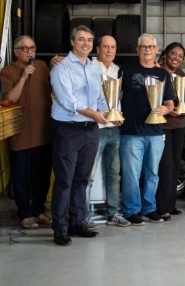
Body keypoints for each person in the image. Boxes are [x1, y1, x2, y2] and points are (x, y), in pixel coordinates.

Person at [49, 26, 108, 246]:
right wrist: (95, 114)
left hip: (90, 130)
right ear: (72, 42)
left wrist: (110, 114)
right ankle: (59, 228)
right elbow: (68, 102)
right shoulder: (61, 68)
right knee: (65, 180)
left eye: (90, 40)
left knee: (81, 179)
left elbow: (100, 98)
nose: (86, 43)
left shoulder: (94, 67)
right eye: (81, 39)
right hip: (68, 130)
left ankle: (76, 221)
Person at [119, 34, 175, 225]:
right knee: (131, 174)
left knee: (152, 174)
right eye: (143, 47)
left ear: (157, 49)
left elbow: (170, 102)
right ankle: (131, 210)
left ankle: (149, 208)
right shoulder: (126, 70)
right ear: (138, 50)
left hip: (156, 133)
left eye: (151, 47)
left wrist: (166, 109)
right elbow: (114, 96)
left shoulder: (163, 74)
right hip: (131, 132)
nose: (147, 50)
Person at [1, 35, 53, 230]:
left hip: (43, 132)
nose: (29, 52)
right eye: (25, 49)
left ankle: (38, 211)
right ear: (16, 52)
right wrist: (23, 76)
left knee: (42, 175)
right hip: (20, 134)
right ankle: (24, 214)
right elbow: (10, 100)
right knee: (21, 176)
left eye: (32, 48)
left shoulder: (42, 66)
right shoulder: (8, 72)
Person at [86, 35, 129, 227]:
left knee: (114, 173)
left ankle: (114, 212)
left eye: (113, 47)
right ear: (98, 49)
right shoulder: (89, 67)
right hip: (95, 128)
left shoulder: (117, 70)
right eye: (105, 47)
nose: (109, 50)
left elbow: (118, 98)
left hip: (114, 129)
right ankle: (84, 214)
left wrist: (119, 114)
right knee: (88, 174)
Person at [156, 42, 185, 220]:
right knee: (165, 167)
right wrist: (169, 110)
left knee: (175, 165)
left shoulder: (182, 75)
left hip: (180, 125)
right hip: (164, 126)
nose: (176, 58)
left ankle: (171, 204)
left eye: (180, 56)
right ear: (165, 54)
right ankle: (162, 207)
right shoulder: (158, 73)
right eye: (173, 54)